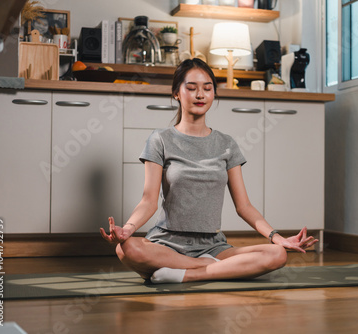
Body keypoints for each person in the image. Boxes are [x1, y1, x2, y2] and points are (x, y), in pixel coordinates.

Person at [100, 58, 318, 284]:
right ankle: (214, 269)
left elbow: (244, 206)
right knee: (127, 249)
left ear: (214, 93)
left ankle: (184, 274)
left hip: (213, 245)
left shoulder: (227, 143)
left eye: (207, 88)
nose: (200, 95)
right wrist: (127, 229)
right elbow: (148, 200)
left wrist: (277, 237)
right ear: (176, 93)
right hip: (166, 243)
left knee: (277, 254)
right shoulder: (160, 139)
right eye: (191, 88)